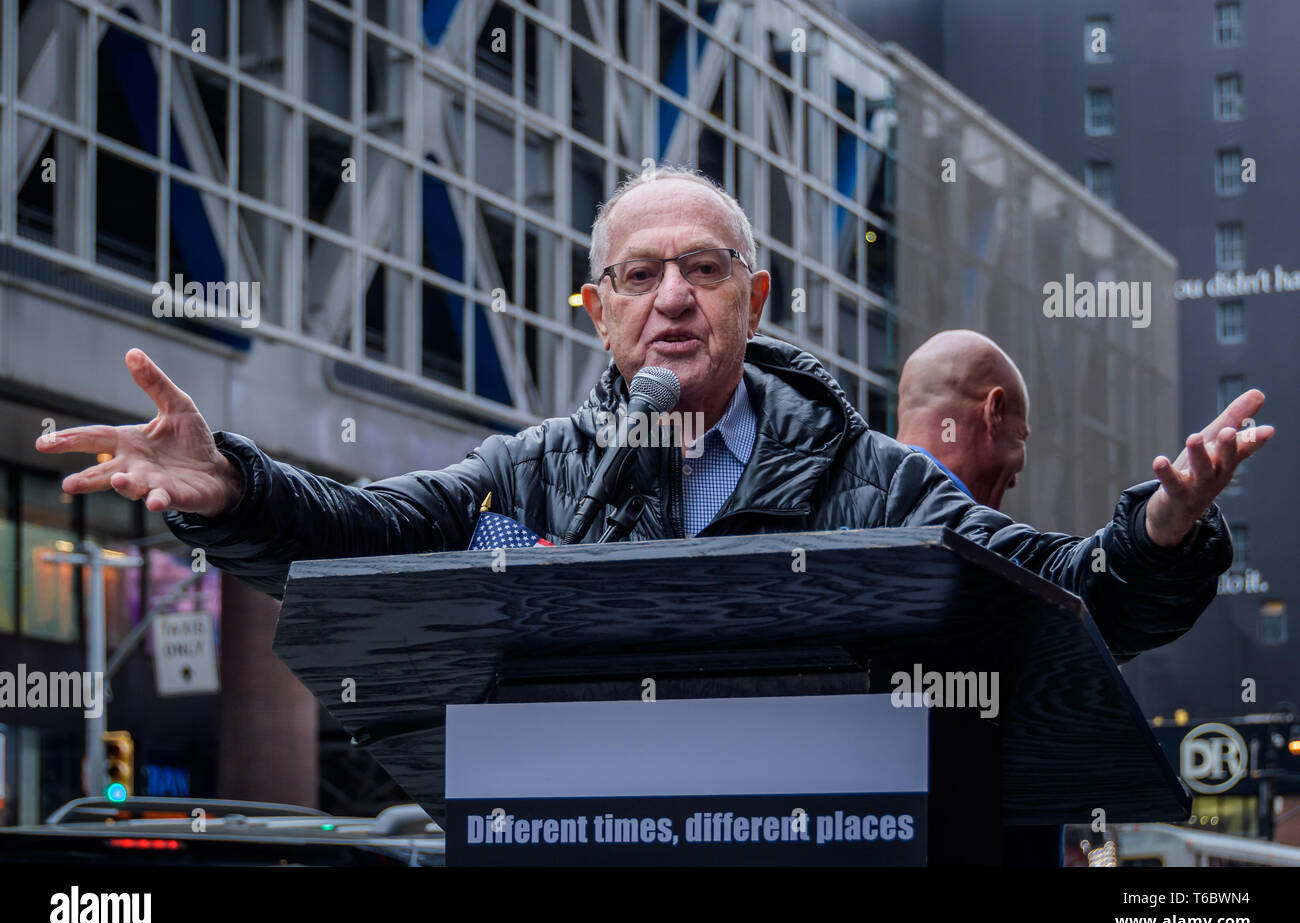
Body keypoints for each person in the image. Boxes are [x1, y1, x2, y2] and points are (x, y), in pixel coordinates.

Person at [37, 165, 1270, 669]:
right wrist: (234, 490)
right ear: (598, 311)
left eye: (705, 268)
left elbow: (1074, 594)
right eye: (638, 275)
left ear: (755, 297)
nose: (671, 296)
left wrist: (1160, 532)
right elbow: (359, 533)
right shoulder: (532, 478)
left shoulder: (878, 481)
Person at [895, 329, 1029, 509]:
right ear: (993, 411)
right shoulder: (966, 530)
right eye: (1019, 436)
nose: (1013, 482)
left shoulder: (852, 503)